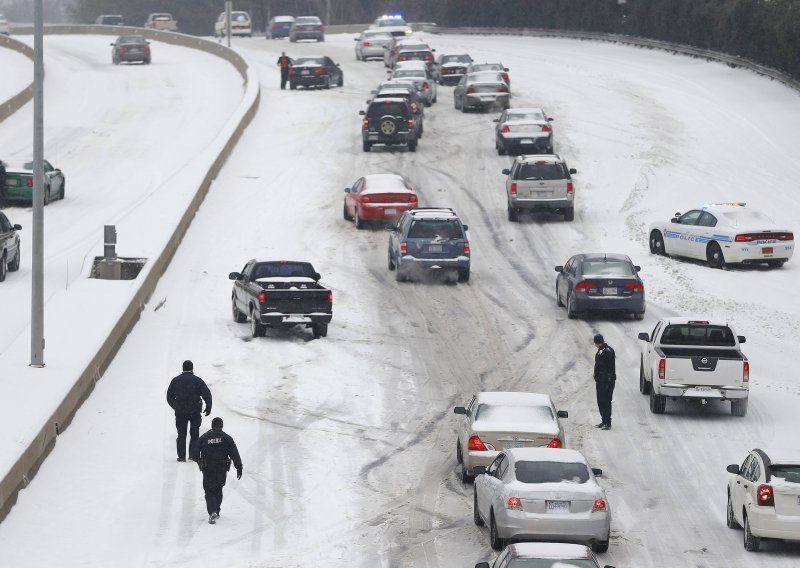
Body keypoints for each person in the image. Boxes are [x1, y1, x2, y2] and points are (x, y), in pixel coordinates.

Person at [197, 417, 243, 524]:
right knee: (218, 489)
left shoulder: (204, 437)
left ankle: (212, 511)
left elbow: (194, 451)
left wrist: (199, 461)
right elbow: (234, 454)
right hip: (221, 468)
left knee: (209, 490)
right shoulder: (227, 438)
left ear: (212, 426)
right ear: (221, 426)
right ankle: (216, 510)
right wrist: (239, 467)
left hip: (208, 468)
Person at [166, 360, 212, 462]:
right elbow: (207, 394)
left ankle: (181, 456)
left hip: (181, 412)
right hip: (194, 410)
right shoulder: (198, 381)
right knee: (194, 433)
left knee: (181, 434)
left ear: (183, 368)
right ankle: (193, 455)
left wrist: (175, 406)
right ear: (192, 368)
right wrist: (208, 406)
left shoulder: (176, 380)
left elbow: (169, 396)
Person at [593, 334, 616, 430]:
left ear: (598, 342)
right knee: (600, 401)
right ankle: (603, 420)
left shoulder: (608, 351)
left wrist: (609, 382)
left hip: (606, 381)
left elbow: (611, 368)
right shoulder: (600, 351)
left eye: (595, 342)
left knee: (606, 401)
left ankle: (608, 422)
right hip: (600, 381)